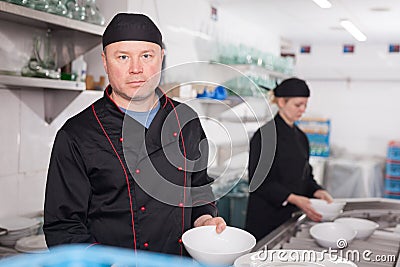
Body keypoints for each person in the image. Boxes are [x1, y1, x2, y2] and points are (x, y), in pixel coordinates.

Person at [43, 13, 226, 256]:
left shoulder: (187, 121)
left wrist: (203, 218)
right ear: (105, 62)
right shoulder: (76, 134)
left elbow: (199, 188)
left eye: (146, 56)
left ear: (161, 58)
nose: (136, 69)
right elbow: (63, 227)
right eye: (123, 57)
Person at [245, 77, 332, 241]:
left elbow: (305, 176)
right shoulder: (265, 135)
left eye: (305, 105)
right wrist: (293, 198)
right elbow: (259, 182)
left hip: (291, 218)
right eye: (298, 105)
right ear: (281, 102)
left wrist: (317, 191)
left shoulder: (301, 137)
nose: (302, 110)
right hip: (267, 219)